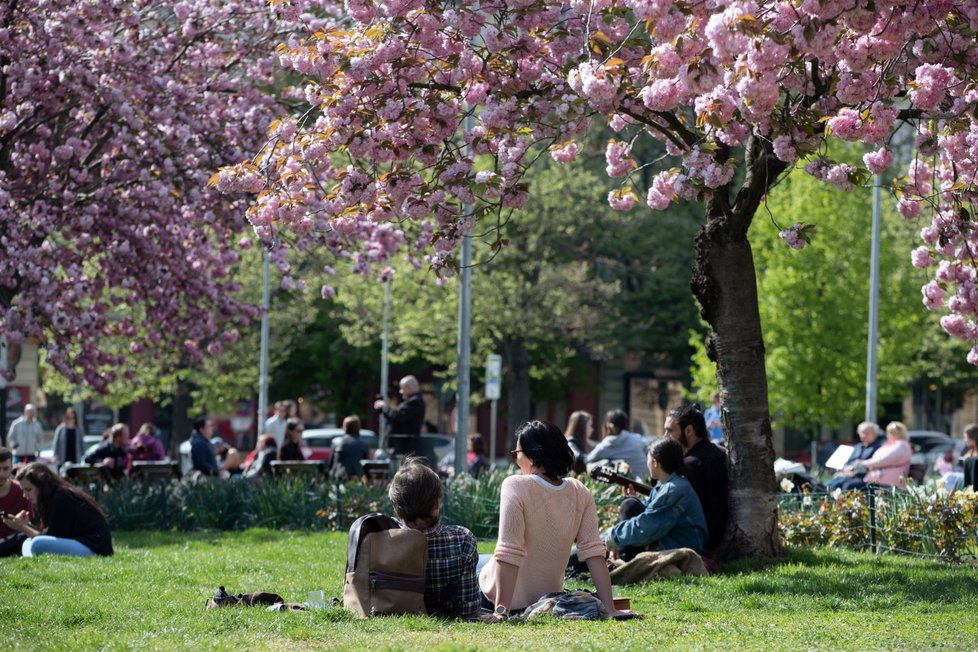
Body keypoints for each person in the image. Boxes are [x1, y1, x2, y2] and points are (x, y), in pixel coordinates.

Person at [479, 420, 627, 619]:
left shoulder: (515, 485)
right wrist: (610, 609)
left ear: (532, 457)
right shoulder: (580, 491)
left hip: (500, 599)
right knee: (484, 559)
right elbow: (594, 553)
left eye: (517, 454)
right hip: (547, 600)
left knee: (476, 561)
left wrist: (500, 611)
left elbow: (508, 552)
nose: (516, 461)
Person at [389, 456, 480, 619]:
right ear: (436, 505)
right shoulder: (463, 539)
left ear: (397, 506)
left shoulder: (383, 537)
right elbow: (469, 611)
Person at [607, 438, 708, 558]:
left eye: (648, 459)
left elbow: (646, 526)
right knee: (630, 504)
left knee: (629, 507)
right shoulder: (666, 484)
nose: (647, 463)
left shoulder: (674, 489)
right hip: (670, 541)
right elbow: (649, 512)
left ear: (655, 463)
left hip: (683, 548)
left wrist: (613, 536)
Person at [3, 462, 113, 557]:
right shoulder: (51, 498)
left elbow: (50, 537)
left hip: (93, 548)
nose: (25, 495)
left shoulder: (60, 497)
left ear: (41, 485)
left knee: (37, 544)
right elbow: (49, 532)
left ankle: (30, 554)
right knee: (27, 541)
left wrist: (22, 527)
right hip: (78, 543)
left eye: (28, 489)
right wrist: (26, 526)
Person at [664, 403, 729, 553]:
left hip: (698, 540)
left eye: (669, 431)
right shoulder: (720, 453)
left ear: (689, 431)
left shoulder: (691, 464)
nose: (665, 437)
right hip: (715, 535)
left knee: (631, 506)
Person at [841, 421, 913, 491]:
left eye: (895, 432)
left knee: (849, 485)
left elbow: (883, 460)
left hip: (887, 480)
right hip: (878, 478)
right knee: (844, 484)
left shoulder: (901, 445)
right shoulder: (890, 444)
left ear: (902, 433)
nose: (892, 434)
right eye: (890, 432)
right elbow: (878, 458)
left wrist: (863, 463)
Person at [584, 409, 648, 480]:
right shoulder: (638, 439)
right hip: (644, 486)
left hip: (621, 488)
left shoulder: (605, 446)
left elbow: (585, 462)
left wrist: (606, 463)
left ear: (606, 426)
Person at [826, 422, 886, 492]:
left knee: (848, 485)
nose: (864, 435)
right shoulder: (858, 447)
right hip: (849, 475)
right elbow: (848, 462)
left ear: (874, 434)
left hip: (865, 477)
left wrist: (855, 471)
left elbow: (876, 464)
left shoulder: (879, 448)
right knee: (831, 484)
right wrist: (845, 469)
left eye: (867, 433)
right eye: (862, 433)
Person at [375, 375, 425, 452]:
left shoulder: (415, 402)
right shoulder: (412, 401)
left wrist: (384, 408)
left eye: (402, 388)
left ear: (409, 387)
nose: (400, 392)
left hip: (405, 446)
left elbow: (398, 416)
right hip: (402, 445)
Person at [0, 447, 32, 557]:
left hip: (15, 541)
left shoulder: (21, 490)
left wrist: (20, 523)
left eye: (5, 469)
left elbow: (31, 526)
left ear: (11, 467)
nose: (2, 474)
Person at [330, 415, 367, 480]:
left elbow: (331, 464)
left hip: (340, 477)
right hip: (358, 478)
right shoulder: (363, 444)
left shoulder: (337, 442)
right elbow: (366, 464)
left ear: (345, 427)